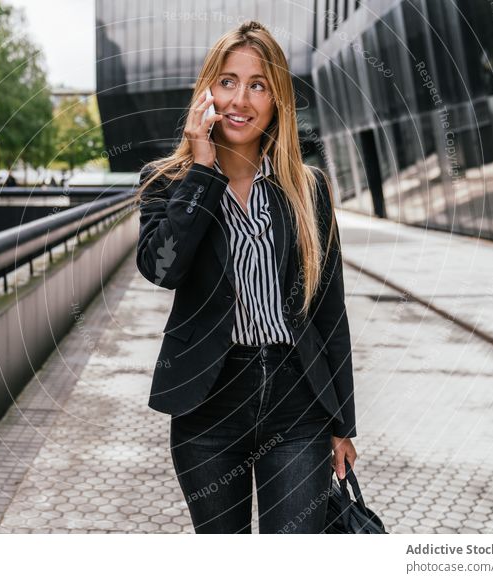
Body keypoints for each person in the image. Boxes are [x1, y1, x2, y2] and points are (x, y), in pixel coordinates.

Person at [135, 20, 357, 534]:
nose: (241, 99)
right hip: (208, 407)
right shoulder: (166, 182)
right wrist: (204, 173)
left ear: (277, 100)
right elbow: (162, 269)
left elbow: (330, 311)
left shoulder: (308, 189)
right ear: (207, 92)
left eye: (258, 84)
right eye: (228, 81)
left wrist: (343, 423)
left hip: (297, 404)